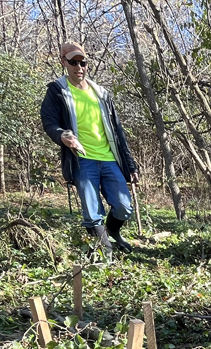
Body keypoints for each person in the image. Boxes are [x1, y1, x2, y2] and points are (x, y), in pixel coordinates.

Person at [41, 41, 139, 257]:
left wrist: (130, 165)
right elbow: (49, 122)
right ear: (63, 62)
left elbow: (118, 132)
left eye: (82, 62)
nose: (79, 67)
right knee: (92, 211)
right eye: (73, 62)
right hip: (82, 159)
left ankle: (112, 232)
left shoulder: (101, 94)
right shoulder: (57, 91)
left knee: (124, 206)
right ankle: (104, 252)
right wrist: (62, 135)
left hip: (108, 158)